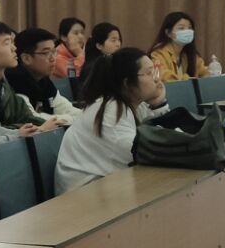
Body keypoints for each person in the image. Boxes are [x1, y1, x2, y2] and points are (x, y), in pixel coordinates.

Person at [57, 47, 169, 194]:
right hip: (81, 196)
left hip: (104, 188)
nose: (156, 79)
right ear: (127, 83)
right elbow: (146, 153)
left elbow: (157, 138)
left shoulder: (129, 105)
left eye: (154, 71)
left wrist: (157, 104)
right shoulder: (110, 112)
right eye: (149, 73)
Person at [0, 21, 62, 132]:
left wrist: (51, 125)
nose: (14, 48)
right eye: (7, 43)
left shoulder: (3, 85)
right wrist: (38, 129)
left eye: (13, 42)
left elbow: (25, 116)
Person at [12, 27, 79, 120]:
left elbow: (66, 109)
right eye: (46, 53)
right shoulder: (14, 80)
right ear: (26, 58)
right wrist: (71, 118)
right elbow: (32, 118)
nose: (53, 58)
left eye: (54, 52)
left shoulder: (43, 80)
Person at [149, 11, 206, 81]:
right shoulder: (158, 53)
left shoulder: (189, 54)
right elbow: (162, 75)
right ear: (168, 33)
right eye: (181, 28)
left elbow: (204, 72)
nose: (187, 31)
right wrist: (185, 78)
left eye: (189, 28)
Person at [78, 21, 126, 97]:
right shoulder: (94, 66)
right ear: (99, 45)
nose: (118, 44)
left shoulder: (112, 62)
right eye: (113, 40)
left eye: (119, 40)